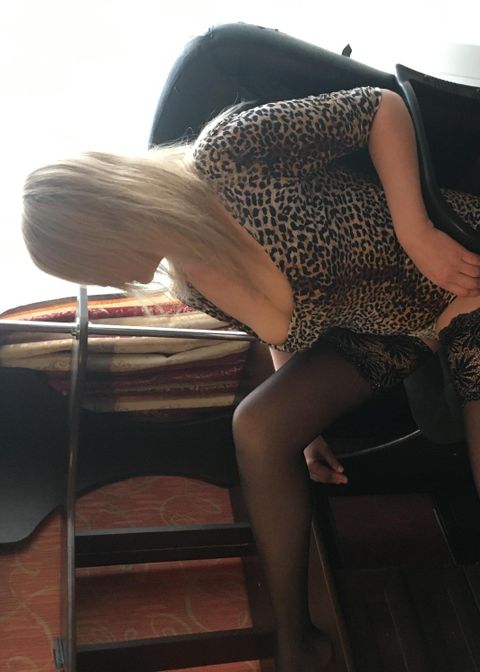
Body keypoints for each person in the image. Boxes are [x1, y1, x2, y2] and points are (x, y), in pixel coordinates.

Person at [22, 86, 480, 671]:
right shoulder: (188, 282)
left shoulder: (229, 154)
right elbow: (286, 332)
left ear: (109, 216)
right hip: (391, 332)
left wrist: (418, 234)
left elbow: (379, 108)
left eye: (92, 262)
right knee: (259, 425)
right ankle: (295, 640)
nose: (108, 280)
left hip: (460, 273)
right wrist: (304, 424)